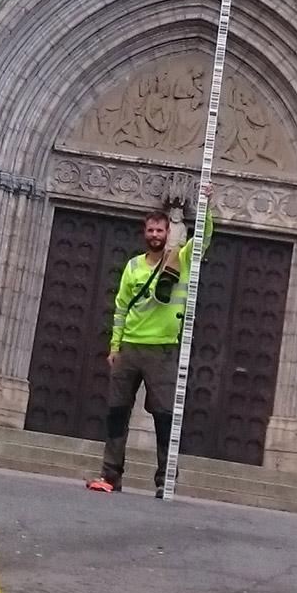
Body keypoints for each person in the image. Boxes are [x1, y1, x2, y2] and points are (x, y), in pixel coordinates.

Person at [86, 182, 214, 497]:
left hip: (162, 351)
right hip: (129, 348)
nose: (155, 235)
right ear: (145, 232)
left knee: (164, 416)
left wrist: (206, 206)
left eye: (160, 230)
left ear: (168, 232)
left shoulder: (181, 260)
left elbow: (204, 238)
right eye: (151, 230)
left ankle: (165, 479)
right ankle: (110, 475)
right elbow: (120, 308)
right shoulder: (132, 267)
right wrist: (115, 347)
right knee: (117, 412)